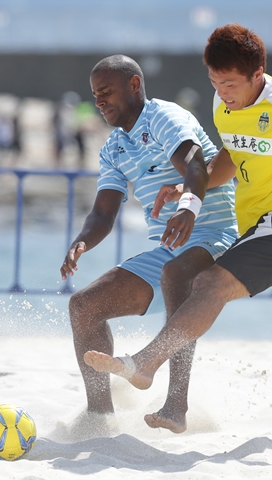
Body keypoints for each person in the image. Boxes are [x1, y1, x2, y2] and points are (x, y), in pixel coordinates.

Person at [84, 24, 272, 405]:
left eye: (230, 84)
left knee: (210, 284)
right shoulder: (223, 105)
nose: (223, 94)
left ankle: (146, 362)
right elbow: (230, 157)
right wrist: (186, 187)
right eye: (215, 83)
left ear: (257, 75)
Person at [60, 55, 238, 433]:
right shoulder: (112, 148)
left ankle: (176, 405)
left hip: (219, 234)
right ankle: (100, 417)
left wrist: (189, 208)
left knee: (176, 276)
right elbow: (103, 214)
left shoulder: (164, 117)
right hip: (169, 246)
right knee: (83, 306)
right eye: (96, 96)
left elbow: (194, 166)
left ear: (135, 85)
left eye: (107, 92)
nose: (100, 102)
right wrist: (80, 242)